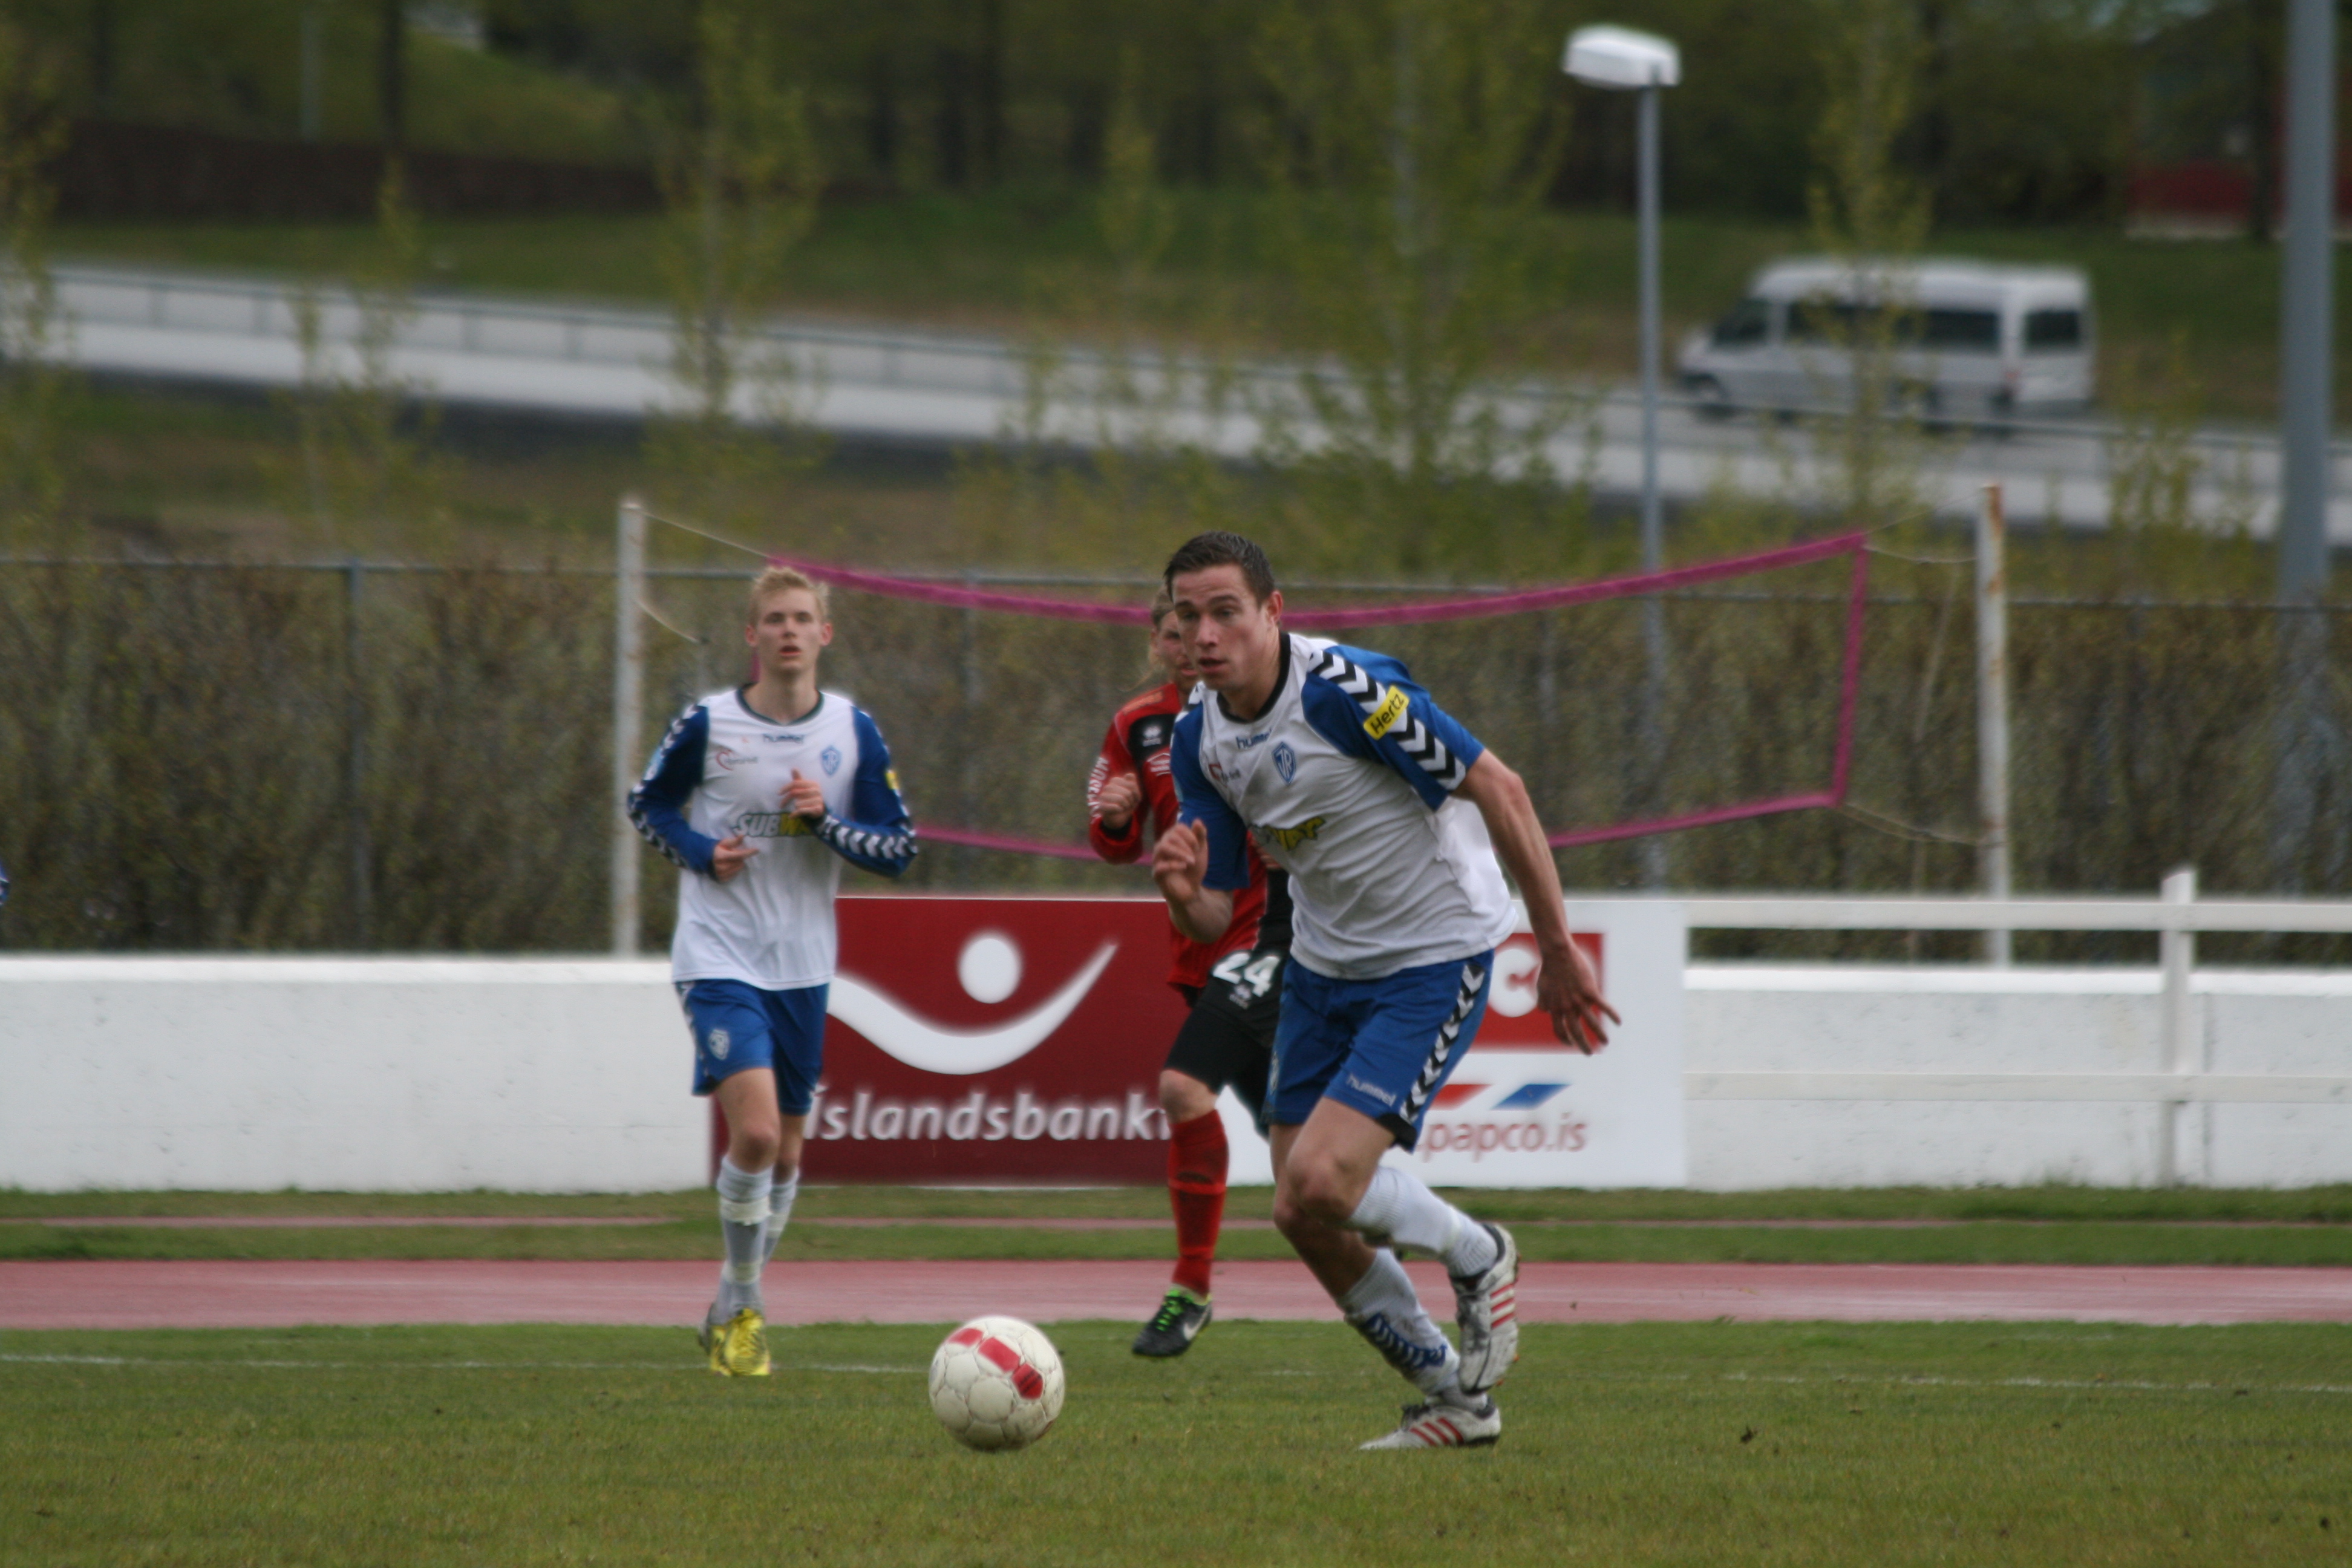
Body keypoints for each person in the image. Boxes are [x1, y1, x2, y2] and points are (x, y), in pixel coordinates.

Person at [1150, 531, 1617, 1449]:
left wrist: (1555, 946)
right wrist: (1181, 892)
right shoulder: (1199, 738)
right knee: (1301, 1210)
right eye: (1188, 615)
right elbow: (1214, 916)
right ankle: (1456, 1402)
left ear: (1273, 612)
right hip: (1323, 966)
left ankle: (1479, 1253)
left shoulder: (1346, 691)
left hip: (1433, 956)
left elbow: (1502, 789)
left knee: (1324, 1178)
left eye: (1226, 612)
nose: (1204, 635)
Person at [629, 565, 918, 1377]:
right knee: (755, 1134)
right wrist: (700, 851)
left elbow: (898, 849)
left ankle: (728, 1300)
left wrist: (824, 824)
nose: (789, 630)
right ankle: (749, 1314)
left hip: (803, 966)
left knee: (788, 1157)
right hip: (719, 955)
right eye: (775, 619)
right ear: (752, 635)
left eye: (802, 618)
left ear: (825, 634)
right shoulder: (709, 722)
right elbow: (647, 804)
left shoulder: (852, 730)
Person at [1088, 590, 1292, 1357]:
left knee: (1184, 1088)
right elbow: (1111, 839)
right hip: (1198, 943)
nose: (1191, 644)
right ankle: (1406, 1235)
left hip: (1268, 938)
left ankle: (1191, 1287)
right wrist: (1114, 818)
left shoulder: (1261, 708)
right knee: (1304, 1158)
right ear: (1158, 644)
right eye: (1175, 634)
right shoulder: (1138, 725)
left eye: (1204, 627)